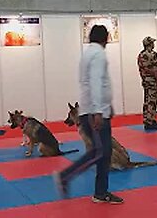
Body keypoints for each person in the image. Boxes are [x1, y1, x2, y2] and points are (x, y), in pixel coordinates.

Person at [53, 25, 123, 204]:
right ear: (105, 38)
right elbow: (95, 81)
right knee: (100, 152)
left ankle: (100, 192)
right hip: (94, 112)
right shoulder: (98, 54)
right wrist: (99, 111)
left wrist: (106, 107)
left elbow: (96, 83)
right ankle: (66, 176)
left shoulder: (87, 53)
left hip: (92, 109)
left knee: (103, 152)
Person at [137, 36, 157, 130]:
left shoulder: (141, 55)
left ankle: (146, 119)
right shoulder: (152, 54)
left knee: (147, 101)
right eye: (152, 42)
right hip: (153, 81)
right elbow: (156, 69)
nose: (153, 44)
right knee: (152, 101)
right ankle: (151, 121)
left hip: (145, 81)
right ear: (149, 44)